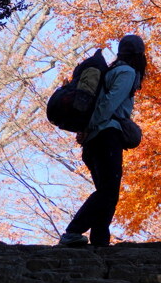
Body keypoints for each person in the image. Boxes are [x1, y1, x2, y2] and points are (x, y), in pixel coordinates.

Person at [59, 34, 147, 248]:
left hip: (94, 140)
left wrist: (86, 130)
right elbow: (108, 104)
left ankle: (100, 241)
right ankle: (73, 232)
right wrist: (90, 129)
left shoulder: (110, 72)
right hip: (106, 137)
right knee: (108, 191)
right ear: (138, 56)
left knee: (107, 192)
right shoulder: (126, 73)